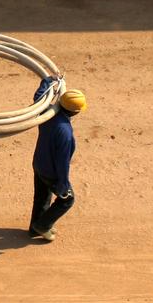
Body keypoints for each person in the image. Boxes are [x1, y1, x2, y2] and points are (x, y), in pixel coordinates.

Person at [29, 77, 87, 242]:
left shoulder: (47, 113)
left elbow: (38, 99)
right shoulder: (65, 132)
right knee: (67, 200)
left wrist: (47, 82)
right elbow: (62, 163)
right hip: (51, 172)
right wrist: (63, 184)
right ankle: (42, 226)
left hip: (39, 164)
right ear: (75, 112)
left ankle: (34, 228)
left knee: (41, 197)